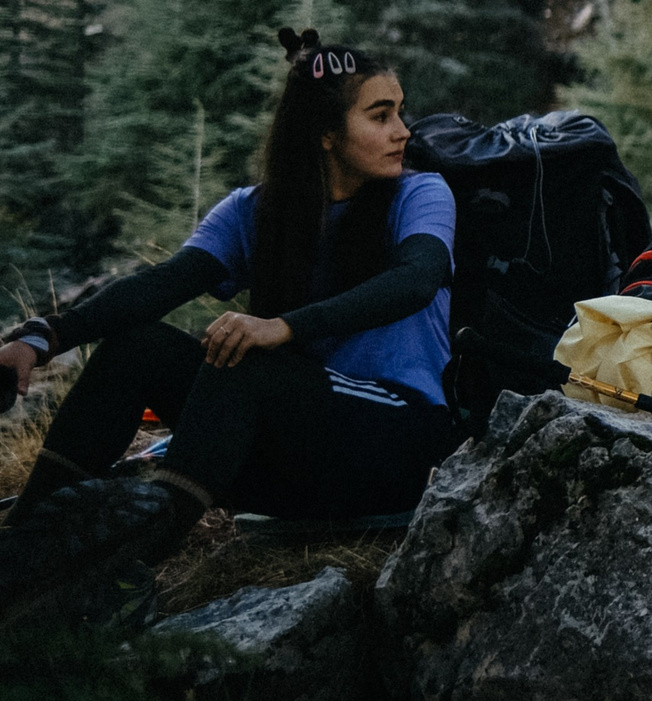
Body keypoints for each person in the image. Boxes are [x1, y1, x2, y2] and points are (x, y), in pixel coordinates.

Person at [0, 30, 461, 621]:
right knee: (139, 346)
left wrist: (283, 327)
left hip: (395, 442)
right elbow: (163, 284)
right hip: (291, 456)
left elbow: (417, 280)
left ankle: (121, 571)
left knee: (249, 361)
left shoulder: (421, 194)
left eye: (399, 112)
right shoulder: (253, 210)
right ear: (324, 133)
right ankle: (17, 553)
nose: (403, 131)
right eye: (381, 115)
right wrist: (42, 337)